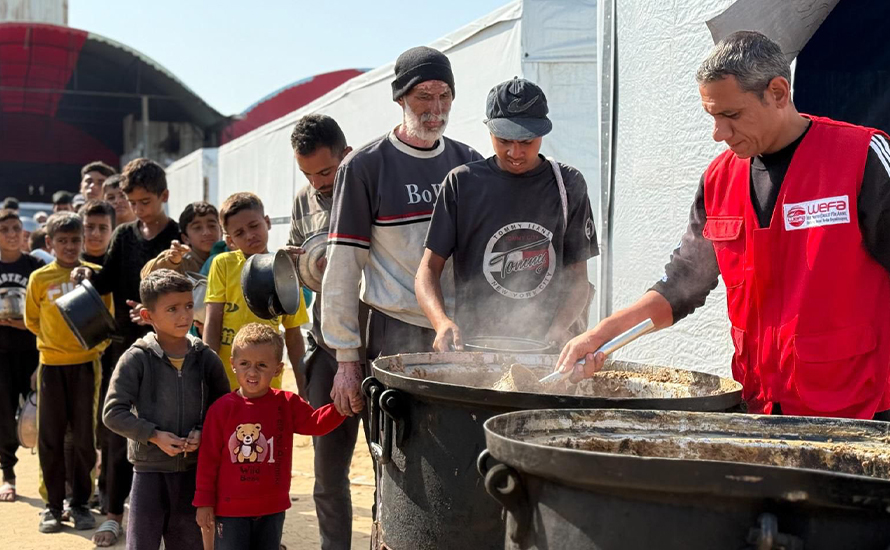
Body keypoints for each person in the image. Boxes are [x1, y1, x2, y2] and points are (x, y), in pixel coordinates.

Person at [557, 31, 890, 420]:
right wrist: (600, 336)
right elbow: (681, 285)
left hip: (858, 412)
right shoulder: (719, 180)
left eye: (731, 115)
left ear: (778, 92)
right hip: (759, 407)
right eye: (712, 116)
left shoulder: (859, 157)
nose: (719, 133)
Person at [322, 46, 482, 417]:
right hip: (395, 332)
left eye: (444, 96)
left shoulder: (469, 163)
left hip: (460, 333)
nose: (436, 109)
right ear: (400, 98)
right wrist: (346, 359)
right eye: (423, 96)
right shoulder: (364, 168)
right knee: (399, 444)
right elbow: (343, 268)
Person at [417, 78, 598, 351]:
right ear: (489, 130)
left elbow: (577, 277)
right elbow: (428, 269)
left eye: (526, 141)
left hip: (546, 347)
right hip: (476, 347)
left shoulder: (568, 184)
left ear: (542, 133)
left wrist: (561, 326)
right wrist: (441, 322)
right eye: (503, 140)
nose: (515, 152)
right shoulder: (462, 183)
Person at [72, 158, 181, 547]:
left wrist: (154, 315)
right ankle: (113, 514)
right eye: (132, 203)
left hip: (166, 351)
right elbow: (106, 280)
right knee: (116, 432)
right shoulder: (122, 235)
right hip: (121, 348)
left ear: (164, 195)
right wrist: (87, 274)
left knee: (165, 430)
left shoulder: (176, 238)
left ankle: (170, 517)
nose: (138, 210)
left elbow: (183, 292)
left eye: (145, 202)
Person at [285, 114, 370, 550]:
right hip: (327, 347)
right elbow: (299, 272)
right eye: (308, 174)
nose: (318, 183)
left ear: (346, 155)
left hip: (378, 346)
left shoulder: (373, 188)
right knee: (327, 472)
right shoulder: (304, 201)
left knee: (392, 466)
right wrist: (298, 264)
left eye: (326, 171)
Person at [103, 269, 230, 550]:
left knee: (189, 544)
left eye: (188, 306)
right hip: (148, 473)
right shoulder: (136, 359)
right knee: (142, 544)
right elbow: (113, 412)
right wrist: (153, 435)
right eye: (172, 309)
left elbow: (223, 410)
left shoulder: (206, 358)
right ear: (148, 316)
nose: (184, 315)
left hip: (194, 474)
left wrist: (203, 432)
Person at [194, 323, 345, 550]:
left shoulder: (286, 403)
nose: (252, 372)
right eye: (244, 364)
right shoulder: (221, 410)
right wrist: (204, 502)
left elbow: (316, 423)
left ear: (277, 369)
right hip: (230, 511)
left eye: (262, 365)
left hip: (272, 508)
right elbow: (208, 460)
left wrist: (342, 407)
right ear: (233, 364)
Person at [24, 212, 112, 533]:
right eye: (62, 241)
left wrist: (91, 349)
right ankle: (53, 505)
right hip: (51, 366)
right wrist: (53, 346)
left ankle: (81, 503)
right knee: (50, 437)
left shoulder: (95, 275)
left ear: (83, 241)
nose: (70, 246)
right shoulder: (39, 278)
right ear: (50, 243)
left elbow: (106, 317)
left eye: (76, 240)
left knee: (85, 437)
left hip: (86, 366)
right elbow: (32, 320)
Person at [204, 193, 308, 391]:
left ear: (267, 222)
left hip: (268, 384)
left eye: (254, 226)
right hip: (226, 382)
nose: (250, 235)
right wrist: (208, 374)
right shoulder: (223, 264)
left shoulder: (284, 268)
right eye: (239, 233)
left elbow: (294, 335)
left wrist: (303, 388)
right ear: (230, 240)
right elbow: (213, 321)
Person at [0, 209, 44, 503]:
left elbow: (47, 311)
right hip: (1, 354)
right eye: (4, 229)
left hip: (32, 352)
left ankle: (50, 479)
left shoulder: (35, 266)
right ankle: (8, 475)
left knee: (42, 415)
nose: (12, 234)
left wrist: (24, 323)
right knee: (3, 415)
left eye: (16, 228)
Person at [141, 201, 223, 278]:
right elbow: (146, 275)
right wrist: (170, 260)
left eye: (212, 226)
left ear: (221, 231)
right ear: (185, 238)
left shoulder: (228, 256)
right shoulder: (181, 263)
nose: (207, 232)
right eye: (197, 228)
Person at [79, 200, 115, 265]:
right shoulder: (67, 263)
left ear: (113, 231)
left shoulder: (122, 264)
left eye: (103, 228)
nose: (96, 234)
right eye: (89, 227)